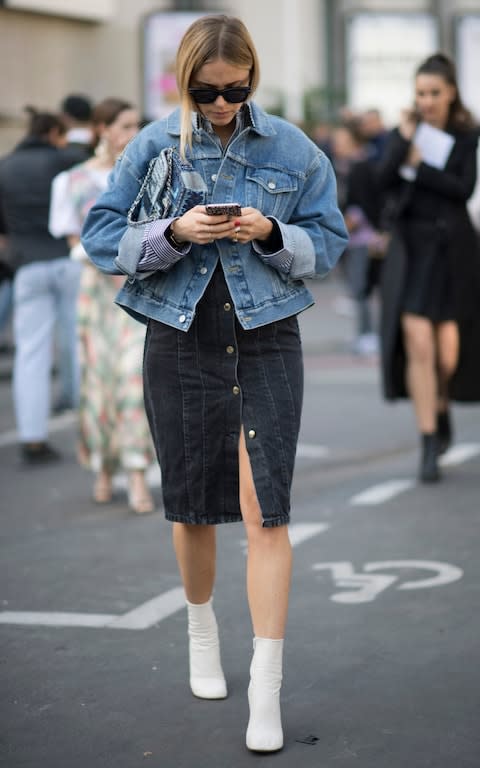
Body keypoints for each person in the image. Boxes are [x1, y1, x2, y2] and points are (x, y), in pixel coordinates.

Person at [81, 15, 347, 752]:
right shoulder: (154, 144)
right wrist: (174, 234)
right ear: (183, 82)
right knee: (193, 504)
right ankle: (201, 627)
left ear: (253, 79)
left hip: (267, 335)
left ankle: (267, 688)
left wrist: (269, 232)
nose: (224, 104)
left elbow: (327, 242)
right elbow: (99, 234)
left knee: (267, 509)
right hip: (180, 331)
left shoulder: (292, 148)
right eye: (207, 92)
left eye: (237, 90)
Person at [377, 52, 480, 483]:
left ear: (450, 93)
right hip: (412, 250)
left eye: (434, 93)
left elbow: (463, 188)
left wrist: (421, 168)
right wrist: (403, 143)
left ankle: (440, 404)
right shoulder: (405, 132)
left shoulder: (465, 134)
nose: (427, 100)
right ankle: (426, 442)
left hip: (453, 249)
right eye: (421, 93)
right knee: (418, 343)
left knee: (448, 353)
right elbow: (382, 180)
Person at [49, 98, 154, 514]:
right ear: (102, 129)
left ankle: (136, 473)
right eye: (125, 125)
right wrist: (99, 254)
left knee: (133, 378)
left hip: (140, 292)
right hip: (95, 295)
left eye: (136, 125)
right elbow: (73, 240)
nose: (132, 133)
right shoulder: (72, 181)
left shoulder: (150, 176)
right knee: (98, 383)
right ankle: (103, 469)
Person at [0, 107, 76, 464]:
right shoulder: (66, 162)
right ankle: (79, 413)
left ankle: (33, 437)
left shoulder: (5, 166)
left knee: (31, 352)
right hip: (66, 258)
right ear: (54, 133)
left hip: (27, 264)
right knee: (74, 341)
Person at [331, 121, 387, 355]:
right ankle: (364, 333)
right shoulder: (348, 166)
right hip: (358, 237)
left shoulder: (360, 167)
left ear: (353, 142)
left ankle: (368, 334)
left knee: (361, 288)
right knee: (359, 288)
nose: (336, 146)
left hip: (363, 238)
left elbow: (363, 204)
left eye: (341, 141)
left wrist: (345, 224)